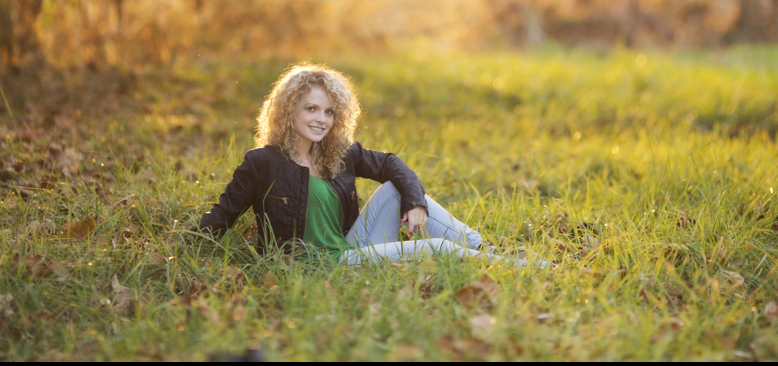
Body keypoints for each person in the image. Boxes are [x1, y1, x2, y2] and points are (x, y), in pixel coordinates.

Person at [198, 62, 546, 268]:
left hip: (351, 249)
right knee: (437, 247)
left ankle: (477, 248)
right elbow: (222, 215)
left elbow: (392, 164)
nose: (321, 119)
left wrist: (415, 203)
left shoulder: (337, 152)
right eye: (311, 109)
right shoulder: (262, 163)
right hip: (317, 266)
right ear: (289, 111)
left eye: (329, 111)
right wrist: (187, 249)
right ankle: (524, 267)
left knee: (397, 190)